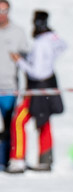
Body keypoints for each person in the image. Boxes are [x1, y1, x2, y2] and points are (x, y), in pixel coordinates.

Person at [6, 10, 66, 173]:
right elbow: (62, 45)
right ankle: (45, 159)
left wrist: (20, 61)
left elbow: (36, 72)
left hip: (37, 87)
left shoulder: (41, 43)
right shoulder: (53, 38)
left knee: (19, 121)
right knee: (44, 120)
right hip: (49, 83)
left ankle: (18, 159)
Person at [0, 0, 29, 169]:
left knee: (11, 125)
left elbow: (28, 61)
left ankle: (9, 159)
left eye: (4, 10)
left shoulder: (18, 32)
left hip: (9, 88)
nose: (1, 14)